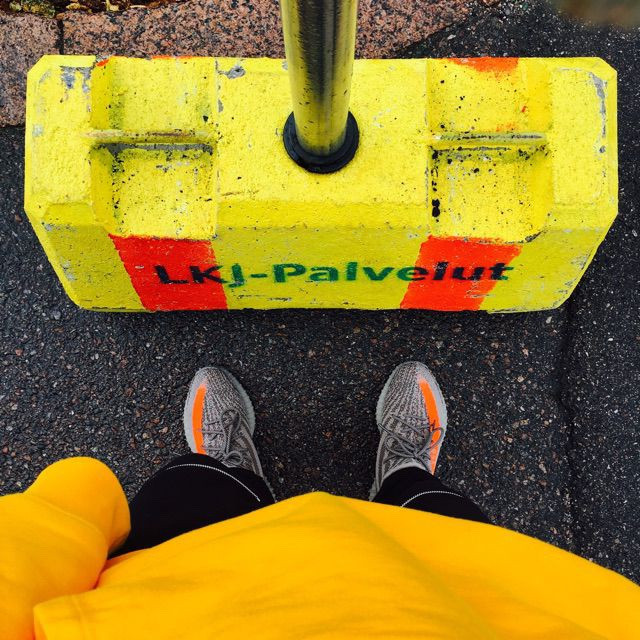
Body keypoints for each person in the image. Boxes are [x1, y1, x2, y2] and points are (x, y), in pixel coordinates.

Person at [1, 362, 638, 639]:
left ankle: (230, 471)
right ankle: (405, 475)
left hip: (167, 612)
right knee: (446, 544)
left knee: (191, 504)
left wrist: (74, 509)